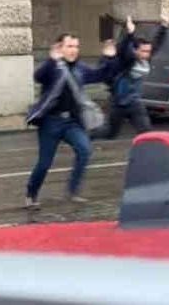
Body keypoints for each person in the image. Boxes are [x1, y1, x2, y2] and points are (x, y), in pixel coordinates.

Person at [25, 33, 116, 209]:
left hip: (71, 122)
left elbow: (100, 75)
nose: (73, 50)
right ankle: (31, 194)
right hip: (50, 122)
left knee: (85, 149)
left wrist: (108, 57)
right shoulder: (54, 68)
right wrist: (51, 60)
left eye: (76, 46)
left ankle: (72, 191)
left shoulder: (80, 68)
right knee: (44, 164)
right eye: (69, 46)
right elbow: (39, 76)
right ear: (60, 48)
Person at [91, 15, 169, 140]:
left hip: (134, 102)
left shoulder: (147, 56)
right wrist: (130, 33)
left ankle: (146, 156)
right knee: (110, 133)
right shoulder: (127, 59)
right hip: (118, 103)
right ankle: (88, 135)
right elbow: (123, 49)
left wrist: (164, 26)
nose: (146, 55)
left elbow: (157, 43)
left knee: (146, 132)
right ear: (135, 50)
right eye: (143, 51)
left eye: (148, 52)